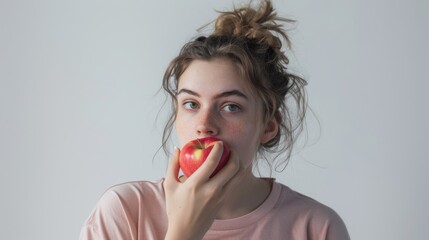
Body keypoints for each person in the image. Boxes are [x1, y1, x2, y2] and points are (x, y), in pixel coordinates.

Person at [79, 0, 350, 239]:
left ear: (268, 126)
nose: (204, 124)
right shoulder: (126, 212)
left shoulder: (316, 228)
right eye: (191, 104)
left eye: (231, 106)